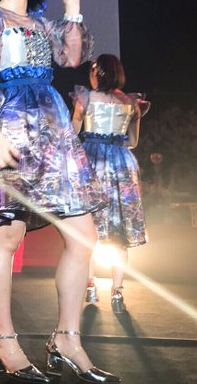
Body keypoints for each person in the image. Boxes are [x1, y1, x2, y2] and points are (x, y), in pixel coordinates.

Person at [0, 0, 119, 383]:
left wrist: (73, 6)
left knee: (83, 235)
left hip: (52, 134)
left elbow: (72, 58)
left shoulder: (43, 24)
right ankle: (5, 340)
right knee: (7, 236)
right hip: (9, 130)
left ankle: (67, 339)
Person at [71, 54, 149, 313]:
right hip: (120, 164)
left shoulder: (85, 98)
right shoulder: (131, 102)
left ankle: (90, 284)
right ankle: (116, 290)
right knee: (119, 229)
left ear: (97, 73)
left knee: (88, 227)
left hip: (92, 161)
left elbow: (72, 134)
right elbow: (133, 142)